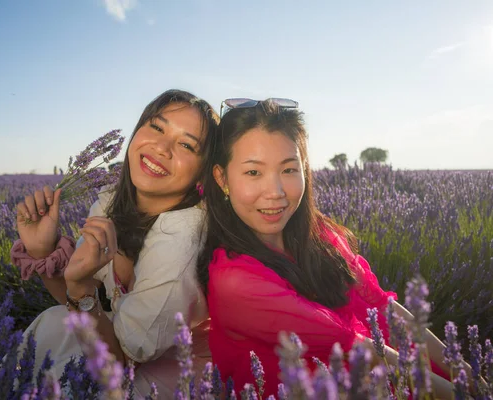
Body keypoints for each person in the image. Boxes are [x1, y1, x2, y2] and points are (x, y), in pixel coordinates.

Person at [196, 98, 472, 398]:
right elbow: (363, 349)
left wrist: (466, 373)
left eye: (289, 170)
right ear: (222, 178)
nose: (275, 192)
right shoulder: (235, 281)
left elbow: (384, 307)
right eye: (253, 173)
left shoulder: (321, 236)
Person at [11, 89, 219, 398]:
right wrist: (43, 251)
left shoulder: (182, 236)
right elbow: (75, 301)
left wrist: (81, 288)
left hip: (178, 373)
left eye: (186, 144)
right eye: (157, 127)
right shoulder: (113, 202)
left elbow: (119, 361)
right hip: (119, 347)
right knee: (54, 323)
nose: (162, 148)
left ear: (204, 171)